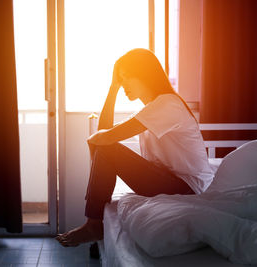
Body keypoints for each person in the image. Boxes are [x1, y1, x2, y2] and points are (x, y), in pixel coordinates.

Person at [56, 48, 214, 247]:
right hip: (167, 182)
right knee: (105, 147)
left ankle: (93, 223)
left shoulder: (168, 104)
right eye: (120, 80)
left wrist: (96, 141)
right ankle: (94, 223)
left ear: (145, 75)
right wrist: (112, 88)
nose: (123, 84)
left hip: (188, 188)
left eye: (126, 77)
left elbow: (106, 139)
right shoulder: (147, 111)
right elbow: (104, 133)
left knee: (106, 148)